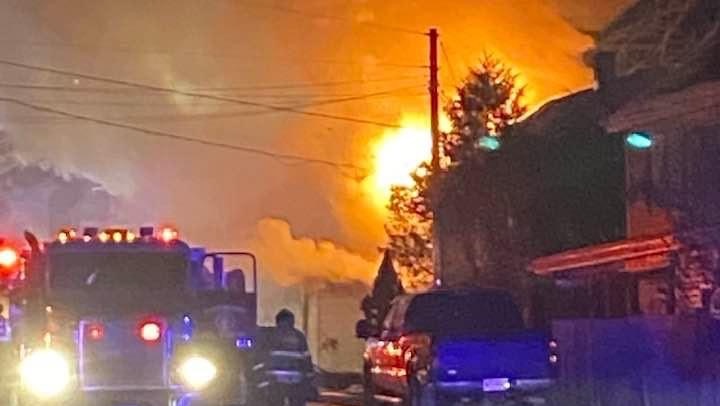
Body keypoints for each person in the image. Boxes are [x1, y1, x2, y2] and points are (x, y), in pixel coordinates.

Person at [260, 309, 317, 406]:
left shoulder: (271, 335)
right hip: (295, 381)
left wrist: (263, 380)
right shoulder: (299, 336)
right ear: (292, 321)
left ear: (277, 321)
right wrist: (309, 378)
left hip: (275, 381)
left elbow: (264, 358)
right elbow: (306, 360)